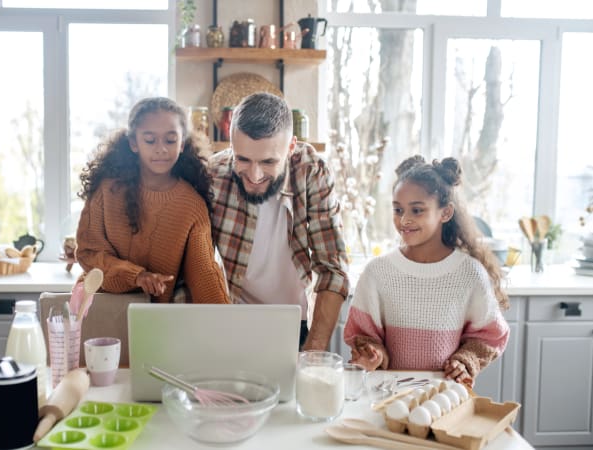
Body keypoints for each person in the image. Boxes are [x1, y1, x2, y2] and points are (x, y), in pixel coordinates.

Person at [343, 155, 509, 385]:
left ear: (446, 213)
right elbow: (364, 335)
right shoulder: (377, 272)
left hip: (444, 397)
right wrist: (373, 353)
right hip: (387, 396)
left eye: (417, 210)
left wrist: (465, 360)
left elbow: (489, 336)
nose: (404, 220)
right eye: (398, 210)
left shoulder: (470, 274)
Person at [208, 92, 349, 350]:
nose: (254, 175)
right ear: (231, 146)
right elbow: (195, 263)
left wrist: (314, 352)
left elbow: (332, 268)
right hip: (233, 320)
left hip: (294, 322)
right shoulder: (214, 175)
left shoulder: (311, 171)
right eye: (243, 159)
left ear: (291, 147)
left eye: (269, 161)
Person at [76, 97, 230, 304]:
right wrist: (137, 276)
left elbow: (204, 274)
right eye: (150, 140)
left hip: (152, 318)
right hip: (98, 307)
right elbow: (89, 253)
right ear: (133, 143)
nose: (161, 149)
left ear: (182, 143)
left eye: (170, 140)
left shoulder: (192, 205)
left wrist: (229, 322)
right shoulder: (107, 189)